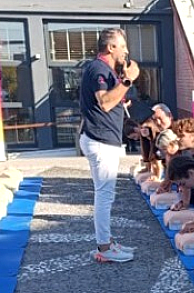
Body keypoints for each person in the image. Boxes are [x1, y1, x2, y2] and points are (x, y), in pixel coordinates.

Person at [79, 28, 139, 263]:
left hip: (103, 138)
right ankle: (104, 247)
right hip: (100, 139)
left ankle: (107, 241)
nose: (126, 51)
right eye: (122, 45)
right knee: (105, 195)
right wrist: (127, 80)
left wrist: (122, 89)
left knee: (105, 194)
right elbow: (104, 102)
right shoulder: (98, 69)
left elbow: (112, 99)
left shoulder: (105, 70)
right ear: (111, 47)